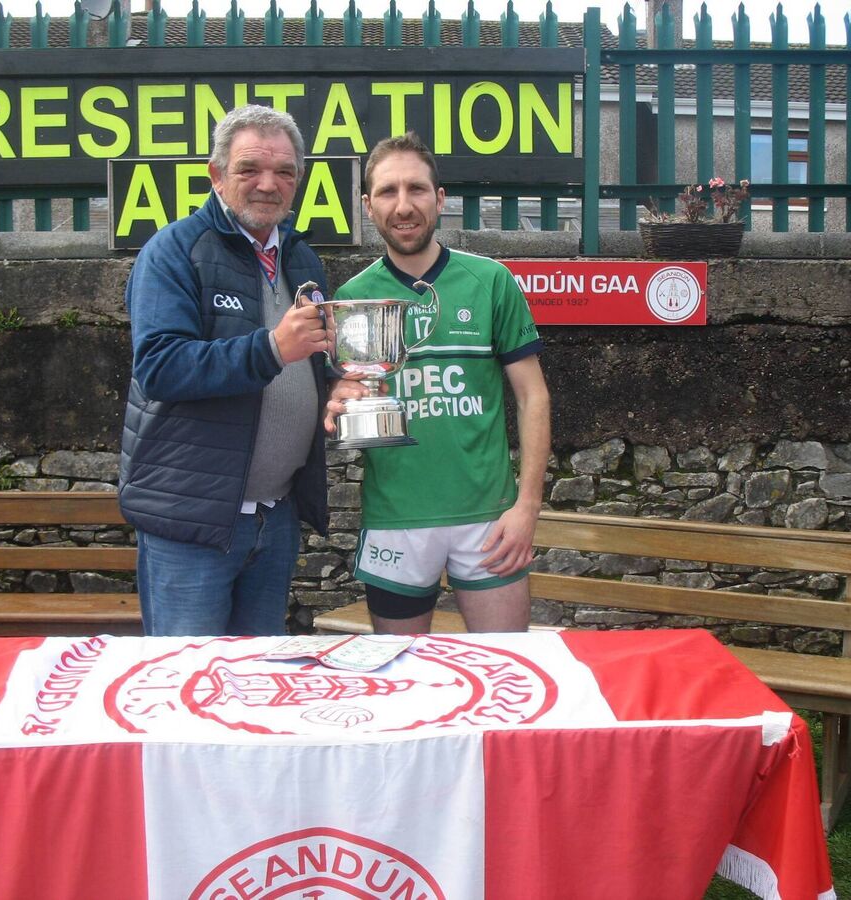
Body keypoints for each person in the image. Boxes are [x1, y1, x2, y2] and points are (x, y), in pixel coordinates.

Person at [118, 105, 334, 636]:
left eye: (285, 172)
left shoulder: (302, 260)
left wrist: (340, 381)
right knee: (186, 685)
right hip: (192, 521)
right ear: (216, 175)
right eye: (249, 169)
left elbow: (309, 359)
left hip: (274, 515)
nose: (269, 184)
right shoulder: (173, 251)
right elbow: (161, 367)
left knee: (257, 683)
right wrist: (270, 349)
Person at [327, 132, 551, 634]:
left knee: (505, 673)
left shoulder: (491, 280)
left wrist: (527, 506)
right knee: (399, 679)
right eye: (387, 192)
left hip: (490, 518)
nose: (403, 205)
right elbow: (352, 396)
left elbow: (532, 395)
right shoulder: (353, 296)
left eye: (417, 189)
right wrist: (340, 402)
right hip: (396, 520)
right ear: (368, 205)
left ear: (440, 199)